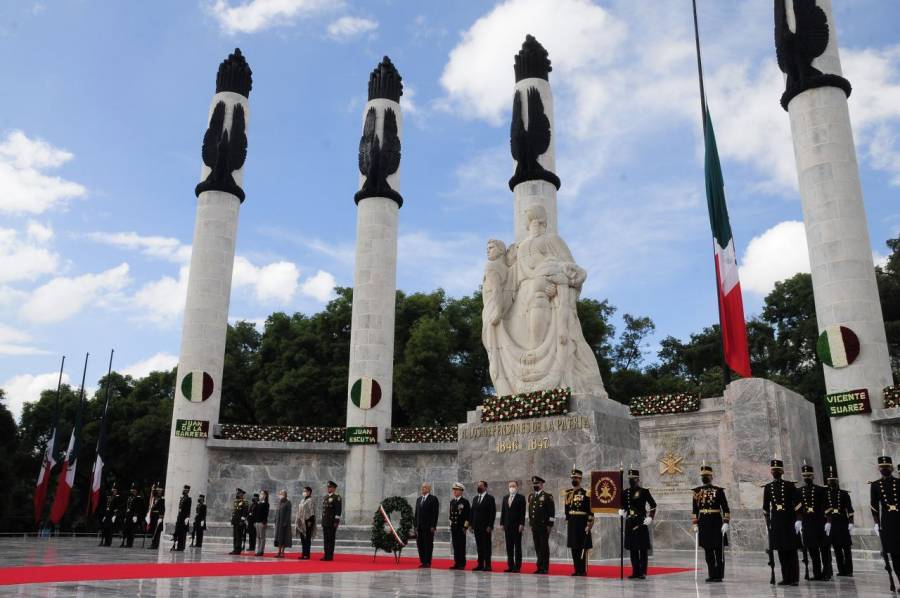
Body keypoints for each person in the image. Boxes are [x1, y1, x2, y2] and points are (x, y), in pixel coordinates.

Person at [763, 458, 800, 586]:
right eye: (773, 470)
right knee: (781, 551)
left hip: (789, 520)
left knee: (791, 550)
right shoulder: (768, 488)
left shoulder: (789, 485)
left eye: (777, 470)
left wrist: (798, 520)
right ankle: (786, 577)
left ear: (782, 471)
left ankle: (794, 578)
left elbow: (798, 504)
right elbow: (765, 507)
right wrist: (767, 523)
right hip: (777, 522)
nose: (775, 472)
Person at [691, 464, 729, 582]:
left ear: (711, 476)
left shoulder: (718, 491)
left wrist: (726, 522)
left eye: (707, 475)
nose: (705, 477)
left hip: (716, 522)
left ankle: (719, 575)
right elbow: (695, 510)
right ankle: (711, 574)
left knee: (719, 551)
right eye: (703, 476)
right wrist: (695, 524)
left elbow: (726, 508)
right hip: (704, 523)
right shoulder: (697, 491)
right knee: (708, 551)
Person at [621, 468, 656, 580]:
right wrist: (622, 510)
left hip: (640, 520)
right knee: (632, 548)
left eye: (633, 479)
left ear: (637, 479)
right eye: (629, 479)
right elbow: (623, 506)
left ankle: (642, 571)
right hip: (630, 521)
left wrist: (650, 516)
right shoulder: (625, 492)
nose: (631, 480)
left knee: (642, 547)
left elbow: (653, 505)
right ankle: (635, 571)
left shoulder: (644, 491)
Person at [799, 463, 832, 580]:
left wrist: (828, 521)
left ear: (813, 476)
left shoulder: (820, 490)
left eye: (809, 475)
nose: (807, 478)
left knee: (824, 550)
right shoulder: (800, 491)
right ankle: (817, 573)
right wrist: (798, 521)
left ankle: (827, 572)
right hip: (807, 524)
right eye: (805, 476)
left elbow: (827, 506)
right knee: (813, 550)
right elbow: (798, 508)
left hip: (820, 523)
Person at [871, 455, 900, 575]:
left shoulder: (898, 482)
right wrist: (877, 523)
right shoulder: (876, 485)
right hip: (887, 522)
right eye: (882, 467)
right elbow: (874, 506)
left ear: (891, 467)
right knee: (894, 553)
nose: (884, 469)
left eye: (886, 467)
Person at [825, 467, 853, 577]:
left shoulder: (844, 494)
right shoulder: (826, 495)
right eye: (830, 481)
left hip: (843, 522)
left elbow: (849, 509)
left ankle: (849, 570)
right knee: (836, 549)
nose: (832, 483)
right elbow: (826, 509)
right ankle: (841, 570)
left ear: (837, 481)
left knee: (846, 548)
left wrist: (851, 522)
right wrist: (827, 521)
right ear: (827, 482)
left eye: (834, 481)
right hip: (833, 523)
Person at [565, 469, 593, 576]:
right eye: (572, 478)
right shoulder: (568, 494)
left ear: (580, 479)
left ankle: (582, 570)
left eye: (576, 478)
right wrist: (568, 520)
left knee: (582, 546)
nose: (574, 480)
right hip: (572, 522)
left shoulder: (586, 493)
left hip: (582, 522)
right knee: (574, 547)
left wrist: (589, 523)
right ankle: (576, 569)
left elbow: (590, 510)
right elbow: (566, 510)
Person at [528, 475, 555, 574]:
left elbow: (551, 512)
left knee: (544, 547)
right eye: (534, 483)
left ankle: (544, 567)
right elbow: (531, 511)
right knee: (537, 546)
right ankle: (539, 566)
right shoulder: (532, 496)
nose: (535, 485)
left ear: (541, 484)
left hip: (544, 526)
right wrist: (531, 523)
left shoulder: (547, 496)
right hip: (534, 526)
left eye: (537, 483)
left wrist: (550, 524)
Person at [470, 480, 496, 571]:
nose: (479, 487)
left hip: (486, 527)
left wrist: (490, 525)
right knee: (479, 547)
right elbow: (472, 512)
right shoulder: (475, 498)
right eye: (478, 485)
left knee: (486, 546)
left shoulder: (490, 498)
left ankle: (488, 565)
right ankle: (480, 564)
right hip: (476, 527)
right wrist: (471, 525)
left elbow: (492, 513)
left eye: (481, 485)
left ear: (485, 487)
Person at [500, 479, 525, 572]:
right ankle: (510, 566)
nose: (512, 488)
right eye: (510, 486)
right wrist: (502, 523)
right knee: (509, 547)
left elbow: (522, 513)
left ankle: (517, 566)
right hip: (507, 526)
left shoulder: (521, 498)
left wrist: (522, 524)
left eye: (513, 486)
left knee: (517, 547)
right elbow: (503, 511)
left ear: (517, 487)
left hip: (517, 526)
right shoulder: (505, 498)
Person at [414, 482, 439, 568]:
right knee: (420, 544)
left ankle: (427, 562)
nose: (422, 489)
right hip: (419, 526)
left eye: (424, 487)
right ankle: (422, 561)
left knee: (428, 544)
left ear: (429, 489)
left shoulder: (433, 499)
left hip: (428, 527)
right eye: (422, 487)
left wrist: (433, 526)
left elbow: (435, 514)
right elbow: (416, 513)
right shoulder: (419, 499)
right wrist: (415, 526)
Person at [448, 482, 470, 570]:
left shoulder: (465, 502)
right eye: (454, 490)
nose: (455, 492)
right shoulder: (452, 501)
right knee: (455, 546)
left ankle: (462, 563)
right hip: (454, 527)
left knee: (461, 546)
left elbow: (468, 516)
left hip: (461, 528)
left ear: (461, 491)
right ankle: (456, 563)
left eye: (456, 490)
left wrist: (465, 527)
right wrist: (450, 524)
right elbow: (450, 515)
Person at [321, 481, 342, 561]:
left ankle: (330, 556)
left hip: (332, 522)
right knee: (326, 539)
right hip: (325, 521)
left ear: (334, 488)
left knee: (331, 539)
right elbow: (324, 510)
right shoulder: (326, 497)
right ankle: (326, 555)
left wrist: (336, 522)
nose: (328, 488)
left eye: (330, 487)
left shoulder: (337, 497)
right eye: (328, 487)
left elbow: (338, 510)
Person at [295, 487, 315, 559]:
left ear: (309, 492)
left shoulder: (310, 500)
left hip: (308, 521)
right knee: (303, 539)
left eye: (305, 491)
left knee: (307, 539)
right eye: (303, 491)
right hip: (302, 522)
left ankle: (307, 554)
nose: (304, 492)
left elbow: (312, 512)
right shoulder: (302, 500)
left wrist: (310, 521)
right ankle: (303, 554)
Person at [229, 488, 249, 555]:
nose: (237, 494)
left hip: (240, 522)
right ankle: (234, 548)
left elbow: (245, 512)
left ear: (242, 494)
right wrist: (232, 519)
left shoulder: (245, 502)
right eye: (237, 493)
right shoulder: (236, 501)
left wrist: (242, 520)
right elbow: (235, 512)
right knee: (235, 536)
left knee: (239, 536)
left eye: (238, 493)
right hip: (235, 521)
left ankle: (238, 550)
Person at [274, 490, 292, 558]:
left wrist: (285, 522)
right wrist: (275, 520)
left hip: (284, 523)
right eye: (280, 493)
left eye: (282, 494)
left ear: (285, 495)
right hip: (278, 522)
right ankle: (278, 551)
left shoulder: (288, 502)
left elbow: (288, 513)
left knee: (283, 537)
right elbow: (277, 512)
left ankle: (282, 552)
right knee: (279, 537)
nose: (280, 495)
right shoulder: (279, 502)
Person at [173, 484, 191, 552]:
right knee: (179, 531)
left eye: (185, 490)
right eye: (183, 489)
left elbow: (188, 509)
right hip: (180, 516)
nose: (183, 490)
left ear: (187, 491)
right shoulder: (182, 498)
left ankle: (181, 547)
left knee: (183, 532)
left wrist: (187, 517)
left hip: (184, 517)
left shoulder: (188, 499)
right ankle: (178, 546)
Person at [254, 490, 269, 556]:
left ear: (265, 495)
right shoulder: (258, 503)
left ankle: (261, 550)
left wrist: (264, 522)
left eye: (262, 494)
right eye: (260, 493)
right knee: (258, 537)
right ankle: (258, 549)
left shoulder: (266, 504)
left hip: (262, 522)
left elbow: (266, 514)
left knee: (262, 537)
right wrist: (255, 521)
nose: (261, 495)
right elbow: (256, 513)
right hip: (257, 521)